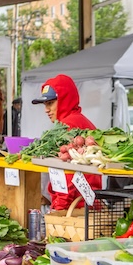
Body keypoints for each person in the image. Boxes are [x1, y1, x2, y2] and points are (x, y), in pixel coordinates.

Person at [33, 74, 101, 210]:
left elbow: (67, 174)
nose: (46, 109)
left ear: (64, 99)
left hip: (76, 207)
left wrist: (59, 207)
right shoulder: (80, 120)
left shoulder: (68, 126)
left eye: (50, 103)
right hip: (86, 204)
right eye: (45, 104)